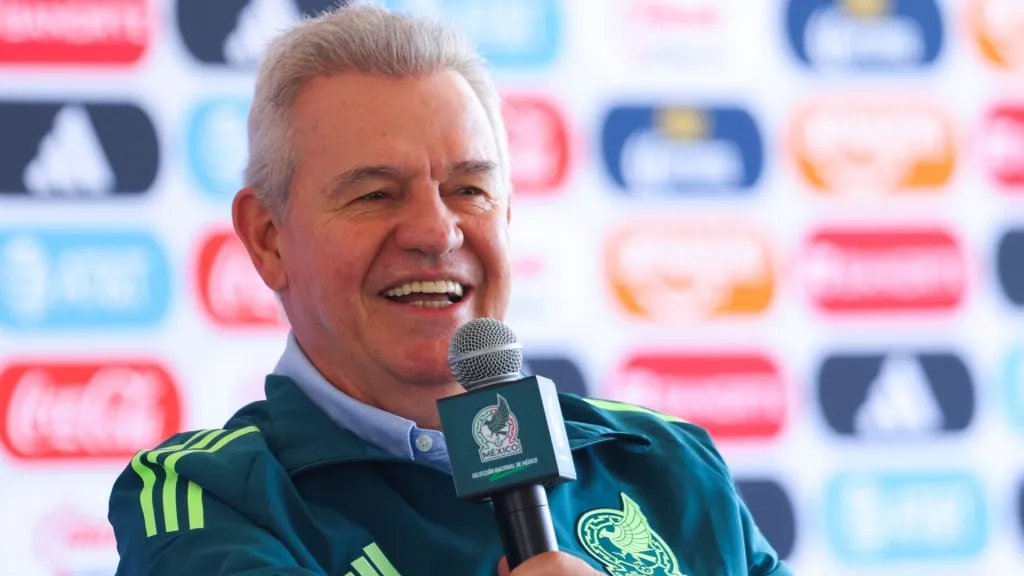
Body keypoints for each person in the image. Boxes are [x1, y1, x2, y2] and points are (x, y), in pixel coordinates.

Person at [107, 3, 792, 575]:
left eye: (469, 189)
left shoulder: (664, 462)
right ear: (268, 238)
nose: (437, 233)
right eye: (374, 194)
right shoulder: (208, 496)